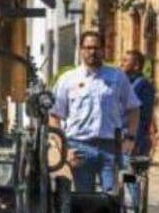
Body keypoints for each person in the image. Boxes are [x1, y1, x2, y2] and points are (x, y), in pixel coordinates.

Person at [50, 31, 141, 192]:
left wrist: (130, 139)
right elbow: (54, 116)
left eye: (96, 48)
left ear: (104, 50)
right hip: (80, 148)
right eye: (88, 47)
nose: (92, 52)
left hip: (110, 147)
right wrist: (64, 150)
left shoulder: (117, 77)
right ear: (81, 50)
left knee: (113, 197)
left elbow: (134, 108)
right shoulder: (68, 79)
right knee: (85, 200)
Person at [120, 50, 156, 158]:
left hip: (134, 139)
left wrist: (135, 140)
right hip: (119, 138)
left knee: (130, 173)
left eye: (126, 61)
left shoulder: (143, 86)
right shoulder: (124, 83)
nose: (121, 64)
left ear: (136, 66)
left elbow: (144, 116)